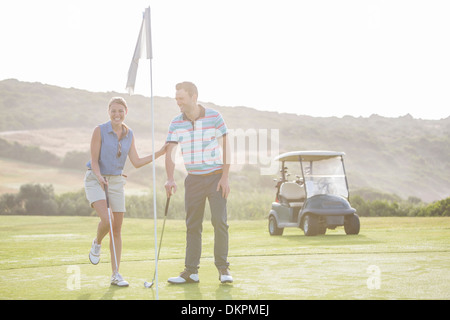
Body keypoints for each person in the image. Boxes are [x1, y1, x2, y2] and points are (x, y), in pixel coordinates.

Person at [84, 97, 166, 287]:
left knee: (117, 228)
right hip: (95, 179)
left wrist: (160, 153)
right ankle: (97, 243)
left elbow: (136, 161)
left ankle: (115, 274)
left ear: (126, 112)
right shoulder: (100, 130)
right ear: (108, 112)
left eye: (120, 111)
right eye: (113, 110)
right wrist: (99, 177)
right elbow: (94, 160)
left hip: (116, 181)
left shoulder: (129, 134)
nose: (117, 114)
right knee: (108, 221)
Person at [164, 81, 232, 284]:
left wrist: (225, 176)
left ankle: (223, 269)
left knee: (219, 222)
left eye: (181, 99)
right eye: (176, 99)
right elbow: (170, 152)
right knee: (193, 225)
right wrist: (169, 178)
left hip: (215, 177)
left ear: (194, 97)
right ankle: (191, 271)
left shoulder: (214, 116)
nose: (179, 103)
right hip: (193, 179)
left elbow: (227, 146)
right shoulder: (176, 122)